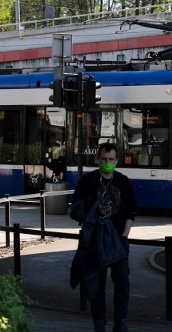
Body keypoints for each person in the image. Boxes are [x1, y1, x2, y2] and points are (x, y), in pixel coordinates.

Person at [71, 142, 137, 332]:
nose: (107, 163)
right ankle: (99, 322)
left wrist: (124, 235)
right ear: (98, 160)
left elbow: (131, 210)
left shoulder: (123, 182)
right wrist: (94, 210)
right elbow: (76, 209)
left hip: (117, 240)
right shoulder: (88, 182)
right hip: (94, 242)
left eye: (111, 160)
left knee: (122, 281)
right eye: (104, 159)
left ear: (116, 161)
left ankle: (120, 323)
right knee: (97, 283)